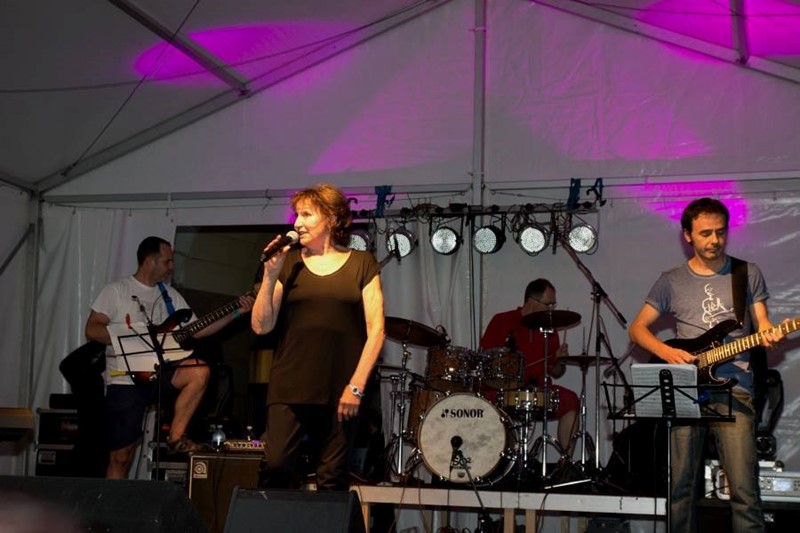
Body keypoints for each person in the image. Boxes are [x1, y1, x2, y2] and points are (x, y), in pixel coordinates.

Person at [629, 197, 785, 532]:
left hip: (735, 390)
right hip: (687, 390)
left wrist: (769, 334)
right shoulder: (671, 280)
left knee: (744, 490)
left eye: (720, 232)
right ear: (688, 235)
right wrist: (667, 352)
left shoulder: (747, 272)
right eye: (705, 233)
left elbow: (762, 323)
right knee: (680, 490)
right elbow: (637, 329)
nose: (715, 240)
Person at [251, 183, 385, 490]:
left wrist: (356, 387)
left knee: (332, 477)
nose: (297, 223)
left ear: (332, 219)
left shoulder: (362, 263)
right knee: (276, 465)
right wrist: (270, 275)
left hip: (341, 388)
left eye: (307, 214)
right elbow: (261, 326)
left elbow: (377, 330)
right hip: (290, 383)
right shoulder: (290, 264)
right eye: (296, 215)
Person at [85, 236, 254, 479]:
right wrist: (130, 338)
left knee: (199, 370)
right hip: (125, 380)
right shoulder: (117, 290)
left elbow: (198, 329)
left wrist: (236, 312)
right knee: (121, 455)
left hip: (161, 373)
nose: (172, 267)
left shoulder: (170, 296)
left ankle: (176, 437)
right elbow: (92, 329)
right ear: (150, 262)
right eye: (167, 261)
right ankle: (114, 500)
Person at [480, 278, 580, 458]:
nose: (551, 309)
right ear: (532, 301)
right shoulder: (502, 320)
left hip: (538, 390)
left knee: (571, 400)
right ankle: (500, 461)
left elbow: (556, 372)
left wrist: (560, 361)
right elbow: (484, 359)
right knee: (485, 399)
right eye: (549, 304)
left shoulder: (549, 328)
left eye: (553, 304)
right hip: (504, 389)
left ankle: (566, 462)